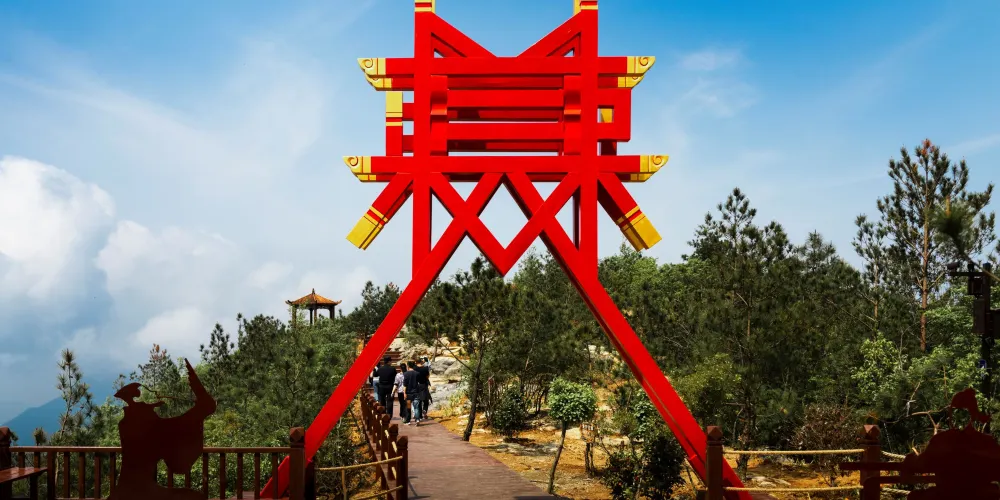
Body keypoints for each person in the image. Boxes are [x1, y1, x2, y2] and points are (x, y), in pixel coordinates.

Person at [402, 360, 423, 425]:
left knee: (408, 407)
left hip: (408, 392)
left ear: (408, 366)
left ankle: (408, 420)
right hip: (416, 392)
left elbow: (405, 384)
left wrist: (404, 393)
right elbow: (419, 382)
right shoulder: (417, 373)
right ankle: (417, 419)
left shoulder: (406, 374)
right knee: (416, 407)